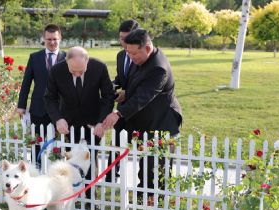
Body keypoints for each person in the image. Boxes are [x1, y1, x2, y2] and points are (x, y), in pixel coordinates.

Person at [102, 29, 183, 197]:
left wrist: (118, 113)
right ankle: (144, 196)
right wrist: (126, 93)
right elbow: (136, 85)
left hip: (162, 122)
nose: (131, 57)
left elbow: (143, 97)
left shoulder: (158, 68)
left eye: (133, 53)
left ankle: (154, 200)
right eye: (128, 53)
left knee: (155, 166)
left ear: (147, 48)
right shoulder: (140, 59)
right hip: (145, 119)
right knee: (145, 161)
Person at [44, 46, 115, 200]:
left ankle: (91, 198)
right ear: (66, 62)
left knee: (90, 157)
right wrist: (58, 119)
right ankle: (71, 196)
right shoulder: (56, 70)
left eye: (81, 72)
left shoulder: (99, 68)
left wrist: (100, 122)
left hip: (93, 123)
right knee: (70, 160)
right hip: (68, 123)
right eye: (73, 71)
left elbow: (108, 96)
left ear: (87, 61)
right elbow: (49, 98)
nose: (77, 74)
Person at [17, 24, 66, 168]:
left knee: (58, 144)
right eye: (49, 39)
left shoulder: (67, 57)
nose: (52, 42)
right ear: (43, 39)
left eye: (55, 39)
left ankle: (56, 171)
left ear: (60, 38)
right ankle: (35, 170)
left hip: (59, 110)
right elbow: (26, 83)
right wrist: (21, 105)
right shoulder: (34, 57)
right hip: (38, 109)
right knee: (36, 143)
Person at [105, 19, 139, 183]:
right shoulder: (120, 55)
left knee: (143, 147)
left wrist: (128, 92)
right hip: (122, 108)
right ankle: (111, 175)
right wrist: (109, 85)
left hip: (140, 108)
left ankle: (145, 183)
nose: (124, 42)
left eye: (127, 38)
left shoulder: (142, 56)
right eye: (121, 38)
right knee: (116, 142)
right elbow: (121, 78)